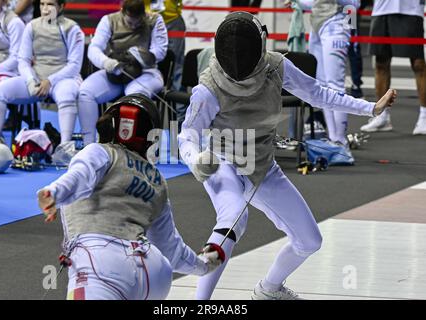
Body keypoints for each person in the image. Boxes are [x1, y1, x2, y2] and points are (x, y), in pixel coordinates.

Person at [178, 11, 396, 300]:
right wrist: (196, 159)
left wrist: (370, 108)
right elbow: (187, 135)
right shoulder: (208, 88)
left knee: (309, 240)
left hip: (263, 165)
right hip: (222, 162)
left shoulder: (276, 67)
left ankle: (269, 289)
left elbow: (318, 94)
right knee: (232, 219)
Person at [37, 94, 224, 300]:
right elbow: (172, 250)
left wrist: (54, 193)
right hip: (154, 272)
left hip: (99, 264)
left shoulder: (101, 152)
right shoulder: (157, 179)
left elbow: (80, 175)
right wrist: (205, 265)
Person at [0, 0, 84, 150]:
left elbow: (74, 66)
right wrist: (31, 80)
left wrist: (50, 81)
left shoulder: (72, 29)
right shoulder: (32, 26)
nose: (45, 9)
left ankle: (64, 149)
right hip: (37, 78)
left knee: (66, 96)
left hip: (64, 78)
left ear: (61, 6)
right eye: (42, 4)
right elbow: (23, 60)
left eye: (50, 4)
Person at [78, 0, 168, 147]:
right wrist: (107, 63)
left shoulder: (155, 20)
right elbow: (94, 49)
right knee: (85, 92)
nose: (133, 26)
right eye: (129, 22)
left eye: (137, 23)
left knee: (133, 93)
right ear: (122, 11)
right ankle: (89, 145)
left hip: (147, 72)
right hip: (116, 71)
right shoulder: (109, 20)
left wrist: (141, 56)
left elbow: (160, 51)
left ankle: (132, 146)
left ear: (143, 15)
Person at [287, 0, 361, 159]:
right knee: (320, 86)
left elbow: (355, 4)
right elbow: (316, 3)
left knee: (335, 85)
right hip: (317, 27)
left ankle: (341, 141)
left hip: (337, 25)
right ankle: (333, 139)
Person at [360, 0, 426, 135]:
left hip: (411, 9)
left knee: (419, 64)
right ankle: (382, 116)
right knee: (380, 63)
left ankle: (424, 117)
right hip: (382, 9)